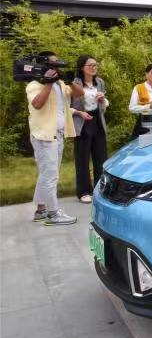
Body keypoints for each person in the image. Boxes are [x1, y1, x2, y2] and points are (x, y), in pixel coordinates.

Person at [26, 51, 84, 225]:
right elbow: (37, 104)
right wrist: (48, 83)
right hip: (44, 135)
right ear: (43, 66)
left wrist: (69, 80)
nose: (56, 66)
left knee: (48, 174)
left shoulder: (60, 84)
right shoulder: (34, 84)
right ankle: (53, 213)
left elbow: (79, 94)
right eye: (53, 64)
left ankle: (41, 210)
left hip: (57, 134)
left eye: (57, 63)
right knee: (50, 176)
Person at [71, 55, 108, 204]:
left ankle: (100, 189)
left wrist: (102, 100)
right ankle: (84, 191)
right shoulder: (74, 83)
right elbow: (67, 106)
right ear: (82, 67)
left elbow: (103, 107)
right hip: (82, 121)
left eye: (95, 65)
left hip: (97, 120)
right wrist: (79, 113)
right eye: (90, 65)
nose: (94, 67)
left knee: (101, 157)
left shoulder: (99, 82)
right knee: (82, 158)